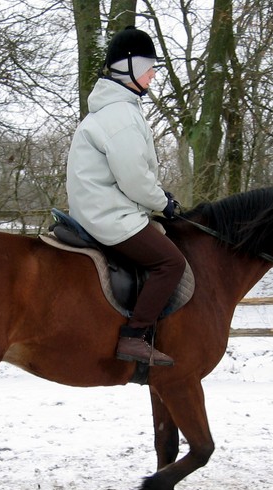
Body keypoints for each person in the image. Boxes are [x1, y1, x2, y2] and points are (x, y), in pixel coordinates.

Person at [66, 26, 186, 367]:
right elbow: (134, 179)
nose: (153, 74)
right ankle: (134, 336)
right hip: (109, 214)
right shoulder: (121, 116)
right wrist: (163, 203)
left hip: (102, 206)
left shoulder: (113, 111)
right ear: (129, 68)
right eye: (149, 67)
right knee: (171, 262)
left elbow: (132, 175)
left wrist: (157, 195)